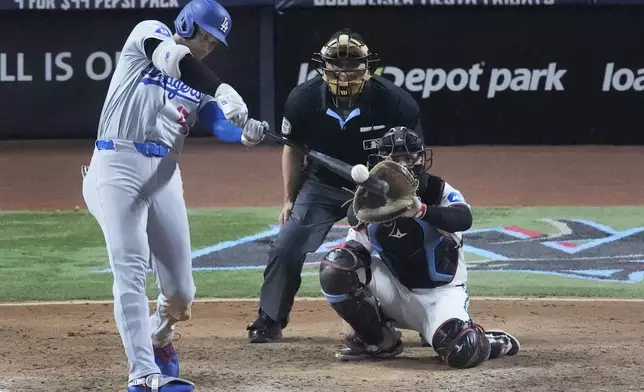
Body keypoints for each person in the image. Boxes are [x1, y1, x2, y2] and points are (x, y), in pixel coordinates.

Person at [81, 1, 268, 391]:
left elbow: (219, 124)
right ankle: (143, 374)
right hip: (117, 164)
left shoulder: (199, 83)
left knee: (182, 291)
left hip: (165, 175)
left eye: (215, 42)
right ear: (185, 23)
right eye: (205, 35)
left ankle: (160, 335)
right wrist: (221, 87)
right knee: (130, 270)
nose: (208, 45)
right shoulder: (149, 34)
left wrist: (245, 131)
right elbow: (178, 60)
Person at [246, 28, 423, 343]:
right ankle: (269, 318)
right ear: (323, 65)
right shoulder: (303, 99)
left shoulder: (395, 102)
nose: (344, 71)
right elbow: (293, 148)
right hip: (321, 186)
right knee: (286, 245)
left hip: (377, 189)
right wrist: (288, 199)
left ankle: (426, 319)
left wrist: (402, 197)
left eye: (352, 63)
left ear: (367, 66)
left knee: (402, 247)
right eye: (336, 63)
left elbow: (413, 157)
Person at [317, 126, 520, 367]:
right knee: (336, 267)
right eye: (396, 158)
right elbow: (354, 249)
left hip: (440, 296)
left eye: (410, 157)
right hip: (394, 292)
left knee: (462, 351)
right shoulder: (372, 200)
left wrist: (421, 211)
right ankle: (379, 340)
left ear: (422, 158)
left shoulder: (436, 190)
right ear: (382, 162)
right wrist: (359, 216)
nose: (404, 164)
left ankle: (489, 341)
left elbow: (463, 219)